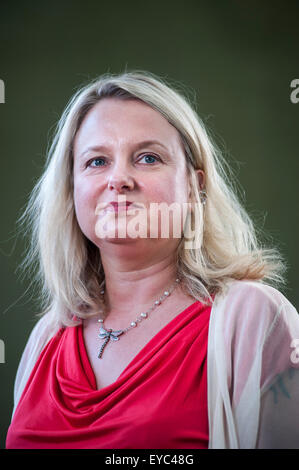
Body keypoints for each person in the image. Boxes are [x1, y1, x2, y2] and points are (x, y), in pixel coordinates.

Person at [6, 70, 299, 449]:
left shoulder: (253, 318)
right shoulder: (47, 337)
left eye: (147, 158)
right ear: (73, 189)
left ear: (195, 188)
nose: (119, 179)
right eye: (97, 161)